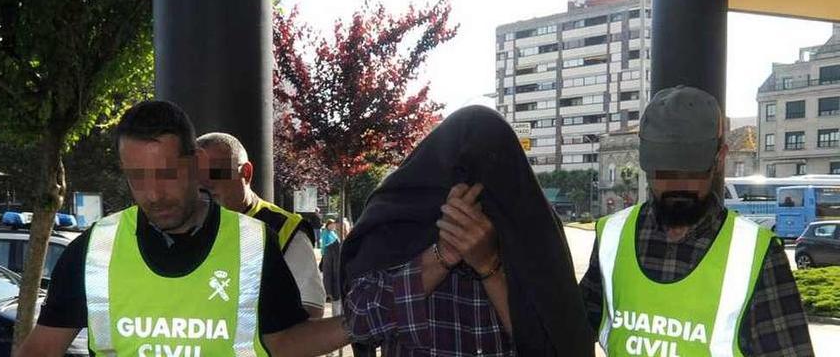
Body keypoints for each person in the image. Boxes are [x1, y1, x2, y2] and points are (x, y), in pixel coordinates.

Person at [17, 101, 347, 356]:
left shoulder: (254, 243)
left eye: (167, 174)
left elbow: (285, 342)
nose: (154, 194)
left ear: (194, 164)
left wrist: (362, 319)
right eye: (137, 177)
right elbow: (42, 348)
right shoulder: (95, 250)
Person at [579, 86, 814, 356]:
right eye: (665, 170)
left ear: (720, 159)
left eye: (691, 169)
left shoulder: (755, 254)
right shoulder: (612, 236)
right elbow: (570, 327)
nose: (678, 184)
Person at [341, 106, 593, 356]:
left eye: (490, 167)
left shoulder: (528, 231)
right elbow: (360, 323)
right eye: (455, 170)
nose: (466, 186)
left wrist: (488, 266)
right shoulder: (399, 225)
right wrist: (441, 256)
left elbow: (558, 342)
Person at [197, 132, 326, 319]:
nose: (204, 184)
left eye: (215, 173)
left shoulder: (284, 229)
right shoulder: (180, 226)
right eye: (194, 176)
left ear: (246, 173)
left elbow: (311, 311)